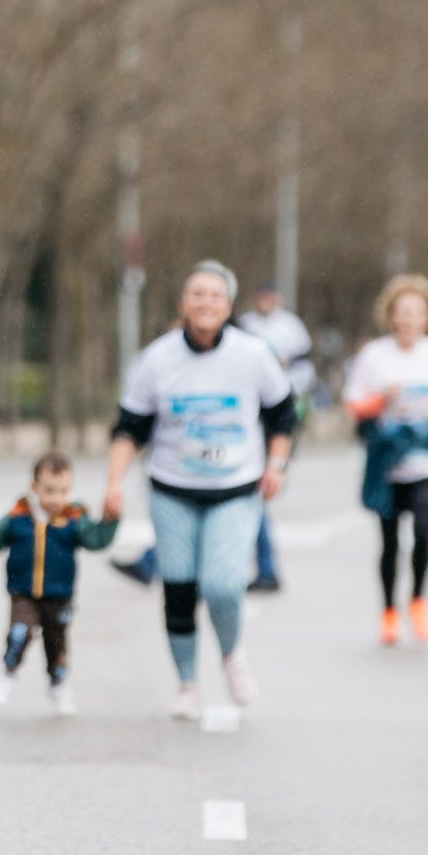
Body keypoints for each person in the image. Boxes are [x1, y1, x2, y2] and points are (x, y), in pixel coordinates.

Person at [103, 262, 295, 721]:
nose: (205, 302)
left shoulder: (252, 355)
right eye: (197, 294)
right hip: (172, 489)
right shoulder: (157, 359)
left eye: (215, 295)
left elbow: (284, 415)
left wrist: (276, 465)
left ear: (228, 307)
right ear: (183, 304)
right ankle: (187, 682)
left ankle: (231, 655)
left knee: (223, 585)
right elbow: (130, 427)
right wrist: (113, 482)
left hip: (235, 488)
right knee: (179, 588)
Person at [345, 275, 428, 646]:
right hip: (387, 461)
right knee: (389, 542)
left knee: (423, 533)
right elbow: (354, 404)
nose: (407, 319)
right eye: (401, 312)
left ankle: (418, 599)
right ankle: (388, 610)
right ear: (390, 316)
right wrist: (381, 399)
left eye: (416, 312)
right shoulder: (374, 355)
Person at [0, 452, 118, 715]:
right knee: (19, 633)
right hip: (23, 594)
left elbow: (96, 540)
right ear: (34, 487)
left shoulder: (74, 518)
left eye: (63, 491)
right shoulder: (17, 517)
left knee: (56, 643)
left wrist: (111, 520)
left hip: (60, 596)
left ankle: (58, 683)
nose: (56, 499)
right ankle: (8, 674)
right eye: (49, 491)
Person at [237, 283, 313, 593]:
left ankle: (265, 569)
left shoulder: (291, 327)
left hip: (280, 403)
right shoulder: (245, 325)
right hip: (250, 409)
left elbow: (305, 365)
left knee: (253, 496)